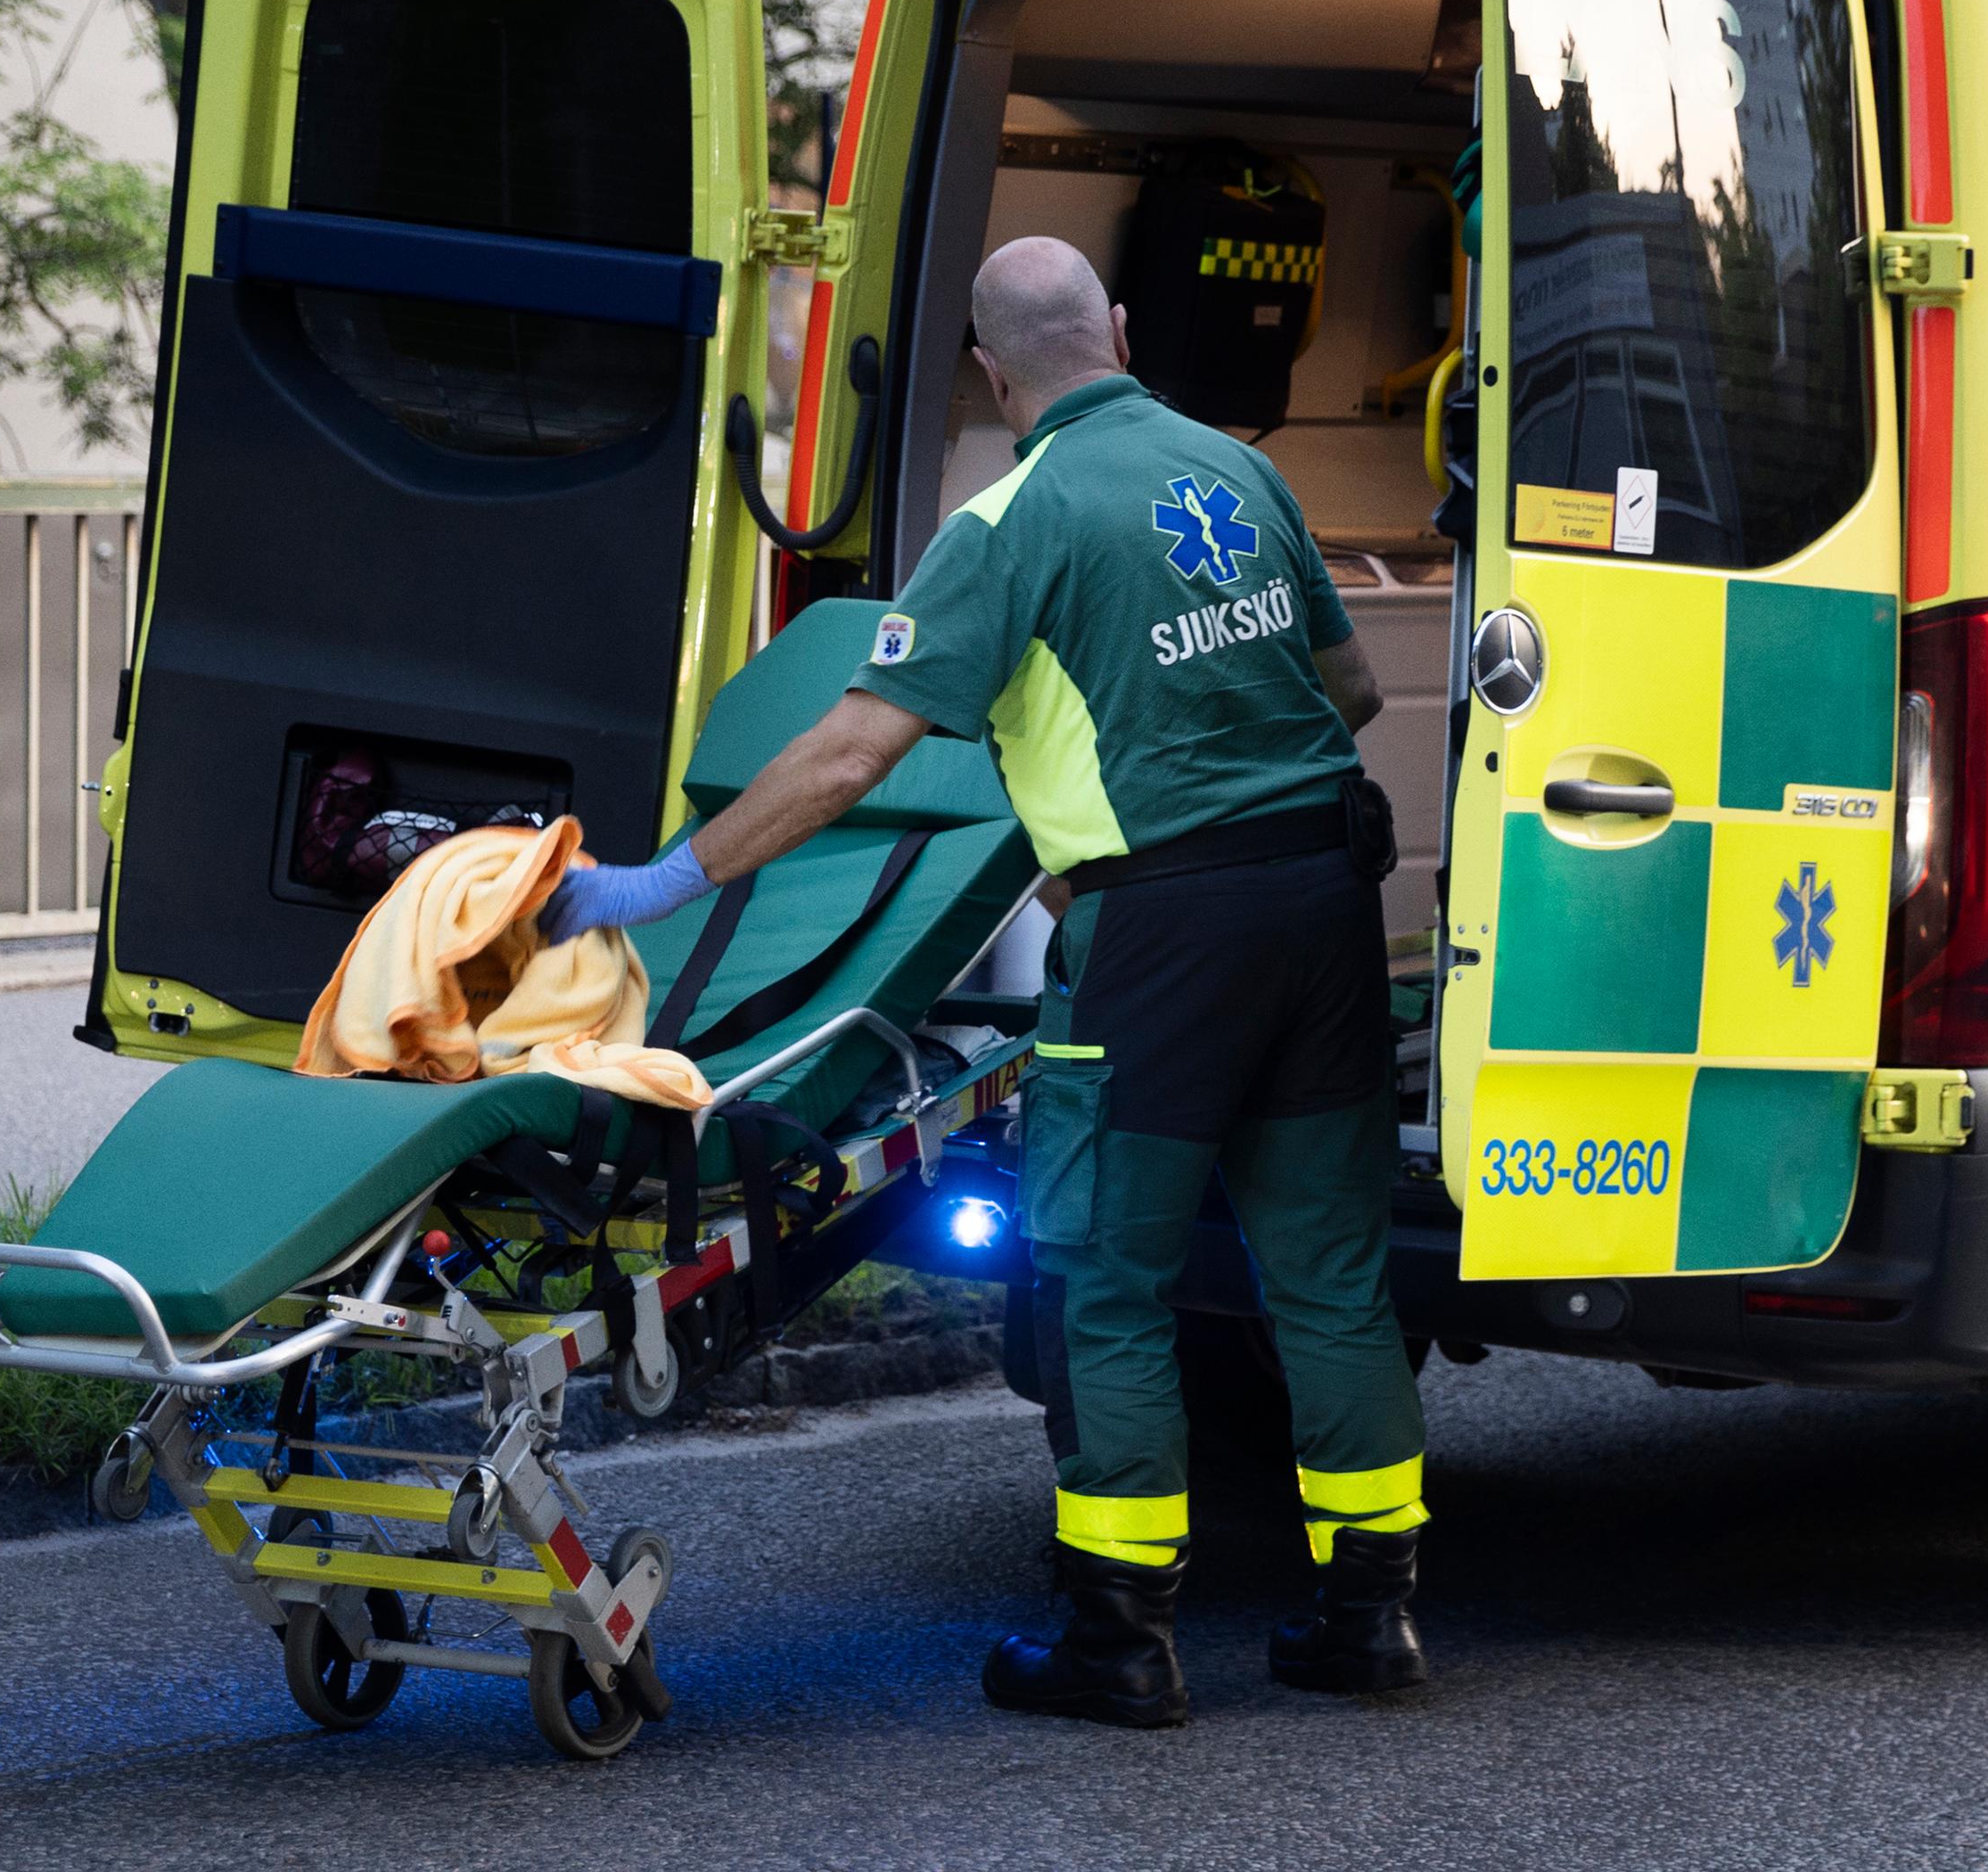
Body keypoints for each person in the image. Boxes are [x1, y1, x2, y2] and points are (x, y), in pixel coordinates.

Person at [545, 234, 1427, 1729]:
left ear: (990, 372)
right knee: (1332, 1273)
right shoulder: (1238, 471)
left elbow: (845, 755)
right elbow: (1350, 692)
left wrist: (658, 884)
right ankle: (1369, 1619)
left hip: (1161, 943)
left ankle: (1121, 1639)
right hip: (1330, 908)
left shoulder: (1008, 521)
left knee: (1108, 1277)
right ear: (1125, 328)